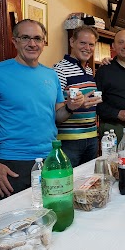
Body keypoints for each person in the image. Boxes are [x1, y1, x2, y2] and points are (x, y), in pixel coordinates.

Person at [0, 19, 84, 202]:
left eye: (37, 38)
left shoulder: (51, 75)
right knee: (13, 226)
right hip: (12, 164)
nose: (32, 44)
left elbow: (58, 116)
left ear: (44, 43)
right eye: (25, 38)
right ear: (14, 41)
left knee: (53, 217)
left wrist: (70, 107)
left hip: (49, 160)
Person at [53, 26, 102, 167]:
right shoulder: (59, 70)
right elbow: (54, 112)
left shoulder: (88, 69)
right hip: (70, 141)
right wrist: (78, 104)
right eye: (82, 43)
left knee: (88, 183)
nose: (87, 48)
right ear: (72, 42)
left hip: (91, 137)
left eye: (91, 44)